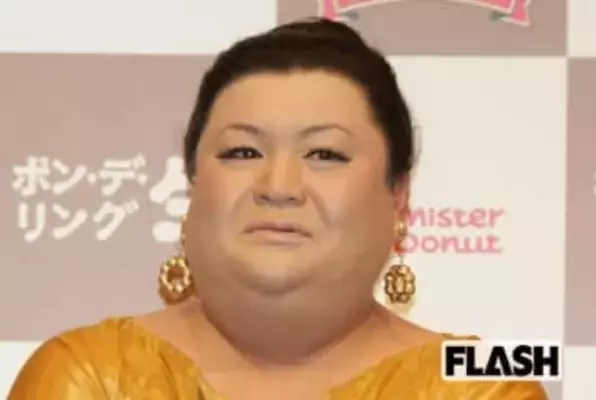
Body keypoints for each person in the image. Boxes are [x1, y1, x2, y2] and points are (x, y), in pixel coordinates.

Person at [8, 18, 547, 399]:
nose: (279, 186)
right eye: (243, 152)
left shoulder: (479, 383)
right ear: (193, 186)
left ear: (398, 196)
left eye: (325, 154)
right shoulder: (88, 373)